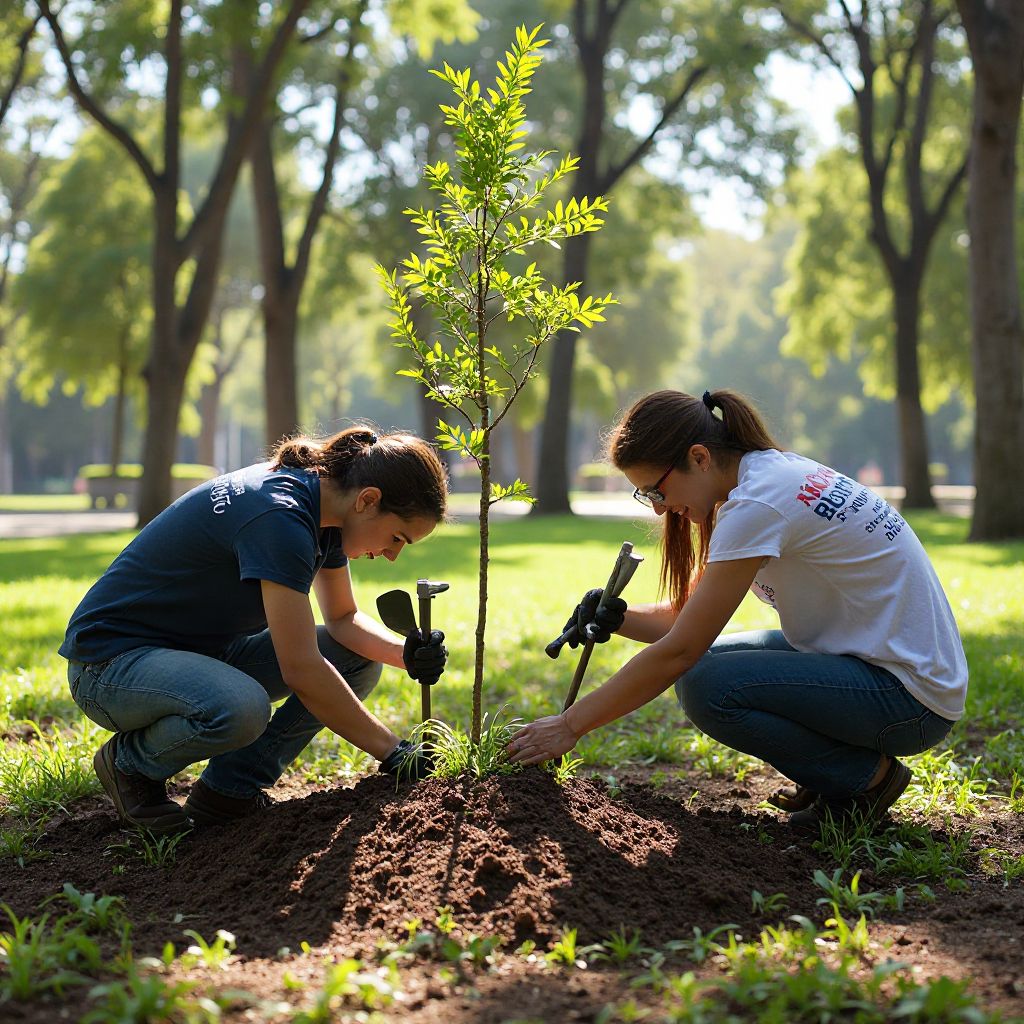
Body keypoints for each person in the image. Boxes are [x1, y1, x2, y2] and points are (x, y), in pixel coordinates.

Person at [509, 390, 967, 829]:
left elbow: (681, 651)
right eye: (647, 496)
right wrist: (619, 617)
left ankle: (864, 780)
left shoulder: (758, 504)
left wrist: (569, 725)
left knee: (706, 683)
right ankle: (834, 775)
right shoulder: (769, 476)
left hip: (908, 699)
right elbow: (688, 619)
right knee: (716, 665)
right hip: (886, 670)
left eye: (657, 491)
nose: (659, 508)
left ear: (699, 457)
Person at [60, 427, 450, 834]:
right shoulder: (280, 518)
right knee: (240, 708)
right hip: (109, 665)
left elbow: (342, 619)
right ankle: (129, 765)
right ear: (368, 500)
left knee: (355, 661)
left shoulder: (328, 511)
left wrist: (404, 653)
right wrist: (393, 752)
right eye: (396, 537)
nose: (391, 555)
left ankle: (227, 792)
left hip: (199, 653)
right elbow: (300, 667)